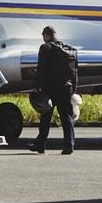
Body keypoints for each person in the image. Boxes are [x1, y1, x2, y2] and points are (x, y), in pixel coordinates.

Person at [29, 26, 77, 154]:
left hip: (50, 89)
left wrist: (36, 87)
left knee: (45, 117)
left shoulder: (45, 48)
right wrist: (73, 89)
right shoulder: (71, 50)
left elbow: (41, 70)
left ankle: (40, 144)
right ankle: (69, 146)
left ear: (46, 35)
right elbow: (75, 73)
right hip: (66, 88)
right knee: (66, 117)